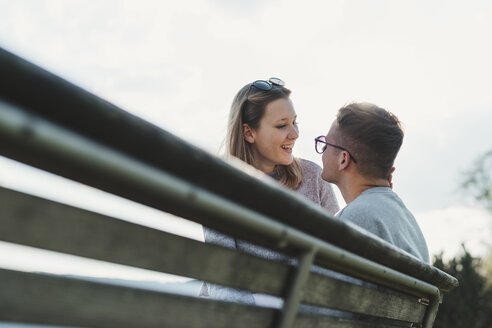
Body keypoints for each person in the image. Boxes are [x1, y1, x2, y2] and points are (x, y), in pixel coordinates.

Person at [199, 78, 339, 304]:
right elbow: (224, 277)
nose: (294, 134)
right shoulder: (221, 186)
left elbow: (334, 262)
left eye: (295, 122)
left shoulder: (313, 178)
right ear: (248, 133)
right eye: (281, 125)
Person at [315, 102, 429, 263]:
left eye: (326, 144)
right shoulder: (410, 225)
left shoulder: (352, 220)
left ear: (343, 159)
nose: (322, 151)